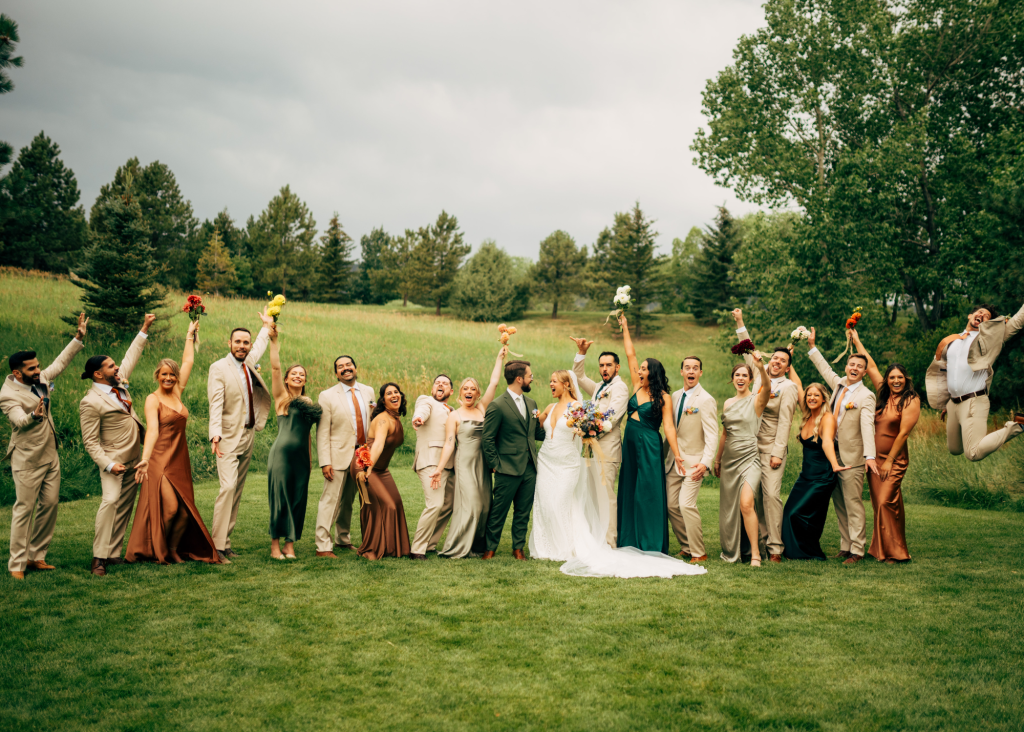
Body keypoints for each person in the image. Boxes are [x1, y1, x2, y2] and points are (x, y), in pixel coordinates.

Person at [528, 368, 707, 579]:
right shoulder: (550, 407)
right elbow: (538, 429)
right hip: (548, 460)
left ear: (566, 384)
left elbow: (587, 429)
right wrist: (534, 417)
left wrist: (587, 431)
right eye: (550, 381)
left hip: (567, 461)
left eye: (554, 381)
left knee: (563, 502)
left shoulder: (578, 408)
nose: (550, 384)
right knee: (545, 502)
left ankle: (567, 545)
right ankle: (547, 545)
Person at [127, 320, 221, 565]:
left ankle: (171, 549)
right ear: (157, 376)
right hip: (159, 460)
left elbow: (188, 361)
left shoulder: (177, 392)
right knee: (170, 509)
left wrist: (190, 334)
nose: (168, 378)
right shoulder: (152, 399)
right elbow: (153, 431)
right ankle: (158, 549)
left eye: (172, 374)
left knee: (183, 512)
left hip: (180, 458)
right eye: (164, 374)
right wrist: (145, 459)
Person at [2, 313, 87, 580]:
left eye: (38, 366)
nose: (38, 371)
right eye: (31, 369)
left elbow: (60, 363)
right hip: (27, 460)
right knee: (24, 509)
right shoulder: (7, 395)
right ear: (17, 373)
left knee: (49, 505)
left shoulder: (39, 380)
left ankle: (36, 555)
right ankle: (16, 563)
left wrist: (78, 338)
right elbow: (18, 419)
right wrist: (34, 417)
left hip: (51, 455)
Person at [79, 313, 156, 577]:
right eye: (111, 367)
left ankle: (113, 554)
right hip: (113, 461)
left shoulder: (118, 385)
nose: (117, 368)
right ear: (98, 374)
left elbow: (130, 357)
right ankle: (98, 558)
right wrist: (109, 465)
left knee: (124, 506)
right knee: (110, 502)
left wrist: (144, 328)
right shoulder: (90, 402)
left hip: (135, 458)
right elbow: (90, 441)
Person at [732, 309, 801, 563]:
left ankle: (775, 548)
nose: (776, 362)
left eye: (783, 360)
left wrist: (777, 452)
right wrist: (740, 321)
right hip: (749, 447)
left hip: (770, 448)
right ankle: (758, 542)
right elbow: (748, 347)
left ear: (788, 366)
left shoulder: (789, 388)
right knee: (755, 497)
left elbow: (786, 422)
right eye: (775, 358)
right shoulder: (758, 376)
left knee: (771, 495)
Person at [617, 314, 687, 554]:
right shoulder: (637, 386)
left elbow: (668, 427)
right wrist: (625, 327)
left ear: (653, 373)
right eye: (640, 369)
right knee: (629, 487)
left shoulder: (663, 397)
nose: (640, 371)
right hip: (630, 442)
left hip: (649, 443)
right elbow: (630, 355)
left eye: (644, 369)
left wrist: (677, 454)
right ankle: (629, 539)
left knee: (648, 491)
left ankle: (650, 541)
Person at [807, 328, 878, 565]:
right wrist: (812, 346)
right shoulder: (838, 384)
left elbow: (868, 426)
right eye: (851, 365)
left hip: (853, 457)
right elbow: (824, 368)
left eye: (859, 366)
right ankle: (845, 546)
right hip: (830, 455)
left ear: (865, 372)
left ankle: (857, 549)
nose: (854, 369)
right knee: (839, 503)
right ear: (847, 367)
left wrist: (869, 456)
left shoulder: (866, 396)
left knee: (853, 504)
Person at [207, 311, 274, 561]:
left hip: (248, 435)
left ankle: (225, 543)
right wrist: (215, 435)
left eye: (245, 343)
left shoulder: (249, 361)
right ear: (230, 344)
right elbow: (215, 404)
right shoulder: (218, 368)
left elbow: (260, 344)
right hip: (226, 437)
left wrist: (266, 326)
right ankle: (215, 546)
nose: (243, 346)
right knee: (227, 488)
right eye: (238, 342)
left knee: (237, 490)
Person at [430, 346, 507, 558]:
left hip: (483, 464)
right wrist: (438, 469)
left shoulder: (482, 409)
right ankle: (457, 546)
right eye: (466, 388)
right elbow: (448, 444)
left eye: (473, 388)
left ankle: (476, 546)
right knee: (471, 504)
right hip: (464, 464)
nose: (469, 391)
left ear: (477, 393)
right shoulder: (454, 416)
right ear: (461, 392)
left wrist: (499, 358)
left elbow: (494, 383)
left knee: (484, 506)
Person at [852, 330, 920, 564]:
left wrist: (890, 460)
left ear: (906, 379)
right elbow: (870, 366)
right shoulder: (883, 395)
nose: (896, 381)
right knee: (885, 504)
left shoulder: (911, 399)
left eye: (899, 377)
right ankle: (885, 548)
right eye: (892, 378)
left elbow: (903, 433)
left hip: (894, 459)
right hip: (873, 458)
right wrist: (857, 340)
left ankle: (895, 553)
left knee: (884, 502)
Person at [926, 301, 1024, 461]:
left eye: (987, 316)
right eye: (980, 312)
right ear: (970, 315)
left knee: (973, 453)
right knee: (954, 449)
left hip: (974, 401)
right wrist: (945, 402)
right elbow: (945, 373)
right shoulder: (951, 341)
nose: (982, 316)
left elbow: (1017, 322)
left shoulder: (990, 340)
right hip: (953, 404)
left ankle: (1018, 426)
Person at [265, 323, 321, 560]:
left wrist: (311, 460)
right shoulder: (282, 397)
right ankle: (275, 546)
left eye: (302, 374)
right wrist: (274, 341)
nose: (298, 376)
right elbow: (275, 368)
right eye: (294, 373)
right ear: (287, 379)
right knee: (280, 497)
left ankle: (290, 544)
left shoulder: (309, 402)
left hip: (302, 458)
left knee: (298, 498)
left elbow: (309, 433)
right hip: (282, 455)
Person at [480, 360, 545, 560]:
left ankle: (518, 549)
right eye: (529, 376)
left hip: (529, 468)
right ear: (519, 379)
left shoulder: (532, 403)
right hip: (506, 468)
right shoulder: (497, 405)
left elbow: (538, 433)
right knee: (498, 511)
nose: (531, 378)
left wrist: (563, 422)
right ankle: (490, 549)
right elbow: (487, 438)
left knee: (523, 512)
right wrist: (495, 465)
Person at [569, 337, 630, 547]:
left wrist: (588, 431)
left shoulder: (619, 387)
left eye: (609, 365)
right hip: (591, 451)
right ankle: (596, 539)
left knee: (606, 498)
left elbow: (611, 419)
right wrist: (581, 353)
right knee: (593, 498)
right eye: (602, 365)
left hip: (608, 451)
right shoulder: (597, 388)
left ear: (617, 367)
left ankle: (610, 542)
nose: (604, 369)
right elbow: (577, 376)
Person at [314, 355, 375, 557]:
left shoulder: (368, 392)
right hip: (337, 455)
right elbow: (322, 431)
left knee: (348, 500)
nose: (345, 368)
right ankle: (323, 545)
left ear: (355, 368)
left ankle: (343, 539)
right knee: (330, 500)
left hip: (361, 455)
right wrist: (325, 462)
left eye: (348, 365)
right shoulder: (327, 396)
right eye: (340, 367)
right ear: (336, 373)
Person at [714, 356, 772, 566]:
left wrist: (760, 368)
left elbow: (767, 386)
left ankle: (755, 553)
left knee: (747, 503)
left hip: (749, 458)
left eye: (744, 376)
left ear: (750, 380)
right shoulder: (728, 403)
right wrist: (718, 460)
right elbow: (724, 434)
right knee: (731, 507)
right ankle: (733, 547)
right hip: (729, 460)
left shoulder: (757, 400)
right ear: (732, 379)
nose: (740, 378)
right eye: (737, 375)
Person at [781, 383, 850, 560]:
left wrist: (835, 465)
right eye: (809, 395)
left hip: (822, 477)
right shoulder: (808, 416)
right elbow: (797, 386)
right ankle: (794, 551)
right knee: (789, 512)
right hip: (806, 476)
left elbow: (827, 442)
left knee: (799, 514)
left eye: (816, 395)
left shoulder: (827, 418)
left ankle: (806, 551)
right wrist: (790, 360)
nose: (812, 398)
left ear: (824, 398)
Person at [662, 355, 718, 563]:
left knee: (686, 505)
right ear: (682, 372)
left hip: (695, 463)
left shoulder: (706, 399)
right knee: (670, 505)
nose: (691, 371)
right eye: (687, 368)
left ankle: (698, 552)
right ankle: (686, 546)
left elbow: (712, 434)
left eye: (695, 368)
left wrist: (705, 462)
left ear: (700, 373)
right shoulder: (674, 397)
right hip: (673, 461)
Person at [354, 383, 411, 560]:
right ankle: (371, 549)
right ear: (383, 400)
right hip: (364, 465)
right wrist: (367, 468)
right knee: (386, 505)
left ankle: (392, 548)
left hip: (381, 469)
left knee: (397, 503)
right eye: (389, 393)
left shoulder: (396, 418)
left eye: (396, 392)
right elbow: (378, 445)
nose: (394, 395)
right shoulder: (384, 419)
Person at [409, 375, 456, 559]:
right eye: (437, 383)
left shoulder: (452, 410)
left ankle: (430, 544)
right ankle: (417, 549)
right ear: (432, 389)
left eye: (445, 383)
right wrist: (418, 418)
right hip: (430, 460)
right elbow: (422, 410)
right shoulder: (426, 400)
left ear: (450, 392)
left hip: (450, 464)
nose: (440, 385)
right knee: (435, 504)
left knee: (448, 505)